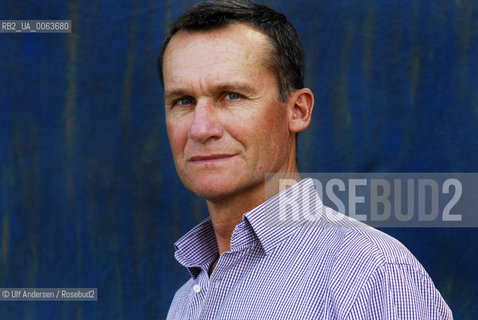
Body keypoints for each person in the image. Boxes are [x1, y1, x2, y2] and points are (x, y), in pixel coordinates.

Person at [157, 0, 453, 319]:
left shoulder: (373, 274)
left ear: (298, 111)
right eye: (183, 101)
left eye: (232, 96)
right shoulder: (185, 302)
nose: (201, 129)